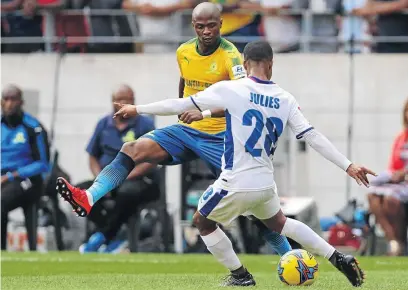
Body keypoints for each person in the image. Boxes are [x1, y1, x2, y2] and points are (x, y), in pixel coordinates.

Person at [112, 40, 373, 287]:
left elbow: (178, 104)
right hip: (265, 183)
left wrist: (138, 109)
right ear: (271, 64)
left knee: (202, 222)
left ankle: (240, 275)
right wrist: (348, 165)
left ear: (245, 64)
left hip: (235, 180)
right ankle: (338, 257)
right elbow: (312, 136)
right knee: (280, 223)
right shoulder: (286, 99)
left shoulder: (232, 88)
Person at [56, 2, 292, 257]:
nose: (206, 31)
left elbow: (244, 101)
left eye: (212, 25)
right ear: (193, 26)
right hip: (187, 131)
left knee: (251, 201)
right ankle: (88, 198)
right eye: (200, 26)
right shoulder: (184, 51)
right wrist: (182, 107)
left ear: (221, 25)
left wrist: (201, 112)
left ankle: (290, 255)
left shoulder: (231, 57)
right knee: (132, 148)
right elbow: (185, 80)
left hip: (221, 137)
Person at [77, 85, 159, 253]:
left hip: (137, 179)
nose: (124, 103)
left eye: (128, 99)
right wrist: (102, 179)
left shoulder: (145, 124)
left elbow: (152, 159)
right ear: (113, 102)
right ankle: (116, 236)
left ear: (134, 101)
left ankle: (102, 237)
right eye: (120, 99)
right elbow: (92, 156)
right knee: (81, 191)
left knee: (126, 193)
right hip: (108, 178)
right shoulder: (103, 124)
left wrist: (121, 178)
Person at [367, 96, 408, 255]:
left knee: (390, 200)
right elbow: (393, 166)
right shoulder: (401, 137)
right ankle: (394, 241)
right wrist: (395, 175)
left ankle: (400, 242)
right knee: (372, 196)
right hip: (399, 182)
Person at [1, 84, 50, 250]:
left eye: (13, 99)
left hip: (27, 179)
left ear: (21, 102)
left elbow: (43, 164)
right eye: (5, 99)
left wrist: (11, 176)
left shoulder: (33, 127)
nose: (9, 104)